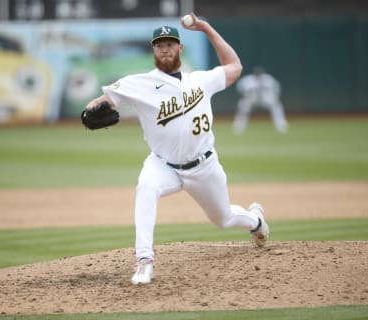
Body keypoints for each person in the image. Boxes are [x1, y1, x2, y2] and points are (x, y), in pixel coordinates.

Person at [84, 13, 269, 285]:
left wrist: (206, 27)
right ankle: (144, 262)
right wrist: (89, 109)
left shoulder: (201, 81)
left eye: (170, 43)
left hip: (204, 167)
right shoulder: (140, 83)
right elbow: (104, 100)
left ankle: (255, 221)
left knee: (223, 218)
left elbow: (235, 66)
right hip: (163, 165)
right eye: (160, 44)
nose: (165, 48)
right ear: (154, 50)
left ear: (180, 48)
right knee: (146, 186)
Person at [232, 66, 288, 134]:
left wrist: (275, 97)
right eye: (257, 75)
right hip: (252, 100)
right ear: (254, 74)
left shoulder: (268, 79)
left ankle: (281, 125)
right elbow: (239, 88)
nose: (258, 76)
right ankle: (239, 125)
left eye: (259, 74)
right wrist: (245, 95)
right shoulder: (248, 80)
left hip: (265, 99)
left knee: (276, 105)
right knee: (243, 104)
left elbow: (276, 87)